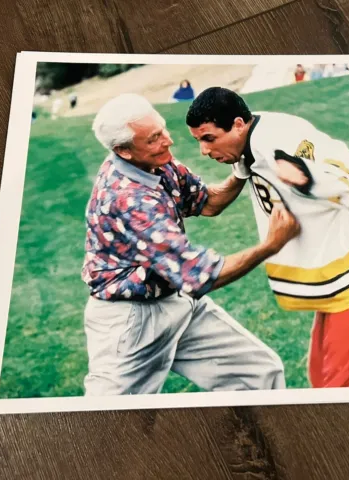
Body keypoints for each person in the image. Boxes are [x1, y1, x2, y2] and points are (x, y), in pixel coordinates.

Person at [186, 87, 349, 388]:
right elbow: (215, 201)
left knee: (346, 395)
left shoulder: (279, 139)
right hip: (347, 278)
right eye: (199, 141)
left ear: (238, 125)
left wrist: (307, 178)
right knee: (322, 378)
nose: (203, 150)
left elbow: (347, 174)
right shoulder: (249, 145)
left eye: (209, 138)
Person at [81, 93, 300, 396]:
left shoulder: (156, 163)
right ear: (124, 151)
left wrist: (240, 168)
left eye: (163, 129)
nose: (168, 141)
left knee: (259, 373)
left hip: (176, 301)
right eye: (155, 138)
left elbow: (208, 202)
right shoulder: (128, 199)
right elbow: (200, 275)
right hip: (131, 321)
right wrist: (270, 246)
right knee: (111, 422)